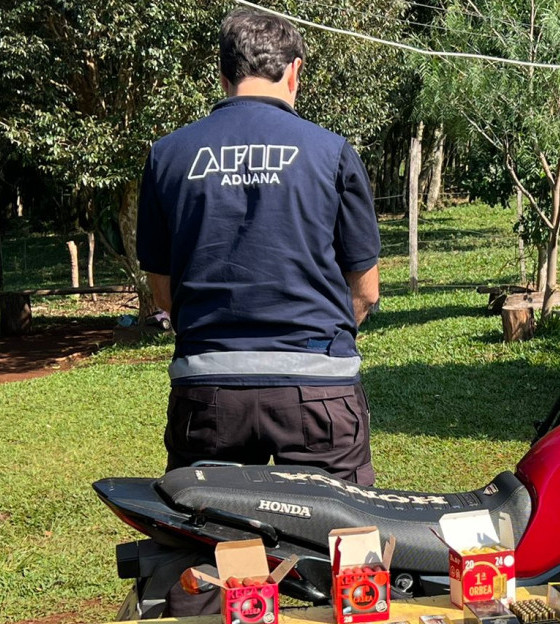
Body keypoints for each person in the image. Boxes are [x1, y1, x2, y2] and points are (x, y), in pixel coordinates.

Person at [137, 7, 381, 485]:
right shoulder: (331, 152)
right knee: (338, 547)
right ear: (295, 72)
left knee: (215, 549)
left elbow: (163, 294)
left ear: (224, 73)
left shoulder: (167, 155)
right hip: (317, 395)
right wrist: (319, 341)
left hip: (208, 392)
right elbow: (366, 290)